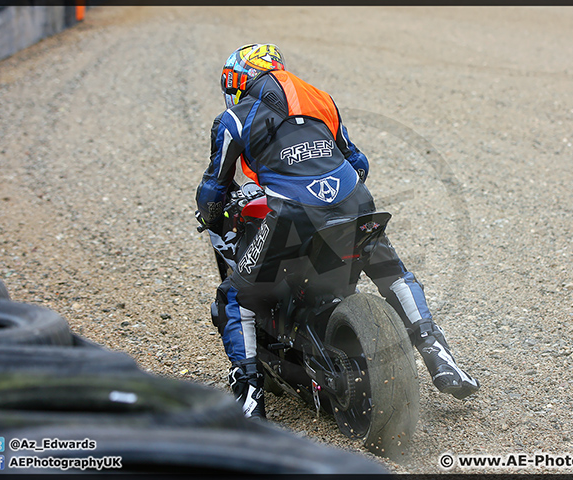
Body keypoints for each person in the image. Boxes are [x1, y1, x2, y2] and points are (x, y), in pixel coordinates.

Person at [196, 44, 480, 418]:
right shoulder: (321, 99)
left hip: (290, 216)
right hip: (356, 203)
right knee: (393, 272)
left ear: (238, 81)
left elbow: (214, 188)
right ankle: (440, 356)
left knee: (235, 295)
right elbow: (357, 160)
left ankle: (248, 398)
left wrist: (213, 218)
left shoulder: (232, 120)